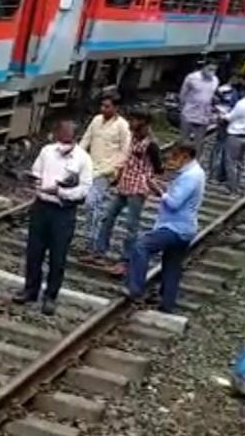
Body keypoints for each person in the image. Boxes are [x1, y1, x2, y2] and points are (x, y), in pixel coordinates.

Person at [14, 120, 94, 315]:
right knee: (34, 252)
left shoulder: (83, 159)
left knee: (58, 256)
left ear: (75, 139)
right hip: (41, 207)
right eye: (61, 139)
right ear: (57, 134)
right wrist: (36, 182)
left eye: (68, 141)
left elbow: (84, 189)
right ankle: (30, 289)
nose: (63, 145)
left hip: (63, 211)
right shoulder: (47, 151)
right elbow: (36, 171)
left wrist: (60, 192)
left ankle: (51, 296)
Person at [124, 143, 206, 314]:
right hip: (184, 228)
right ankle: (167, 303)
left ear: (185, 156)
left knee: (141, 245)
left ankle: (135, 290)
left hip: (175, 228)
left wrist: (159, 191)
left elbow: (174, 203)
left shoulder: (191, 176)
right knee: (171, 264)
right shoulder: (192, 173)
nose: (171, 161)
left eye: (175, 156)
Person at [94, 111, 163, 276]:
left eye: (135, 119)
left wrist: (148, 179)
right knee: (107, 217)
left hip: (137, 189)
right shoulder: (133, 137)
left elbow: (159, 168)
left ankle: (126, 260)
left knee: (131, 226)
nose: (132, 122)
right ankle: (99, 251)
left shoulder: (151, 144)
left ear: (144, 122)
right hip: (124, 185)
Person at [78, 93, 130, 246]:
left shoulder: (122, 125)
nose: (103, 109)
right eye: (102, 106)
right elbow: (86, 140)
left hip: (107, 170)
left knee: (91, 201)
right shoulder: (96, 120)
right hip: (90, 166)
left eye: (107, 106)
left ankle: (92, 237)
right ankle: (92, 235)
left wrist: (116, 169)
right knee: (91, 202)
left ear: (116, 108)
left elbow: (125, 150)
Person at [221, 73, 245, 194]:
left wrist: (222, 115)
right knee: (240, 163)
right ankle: (237, 184)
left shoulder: (242, 104)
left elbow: (230, 117)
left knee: (230, 162)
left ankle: (232, 188)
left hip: (235, 136)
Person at [178, 59, 219, 156]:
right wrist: (183, 108)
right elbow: (183, 94)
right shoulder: (192, 78)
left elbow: (211, 96)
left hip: (203, 116)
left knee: (199, 142)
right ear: (204, 67)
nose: (211, 72)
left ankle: (195, 162)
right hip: (189, 113)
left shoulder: (215, 80)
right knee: (184, 140)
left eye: (214, 70)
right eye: (210, 69)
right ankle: (180, 161)